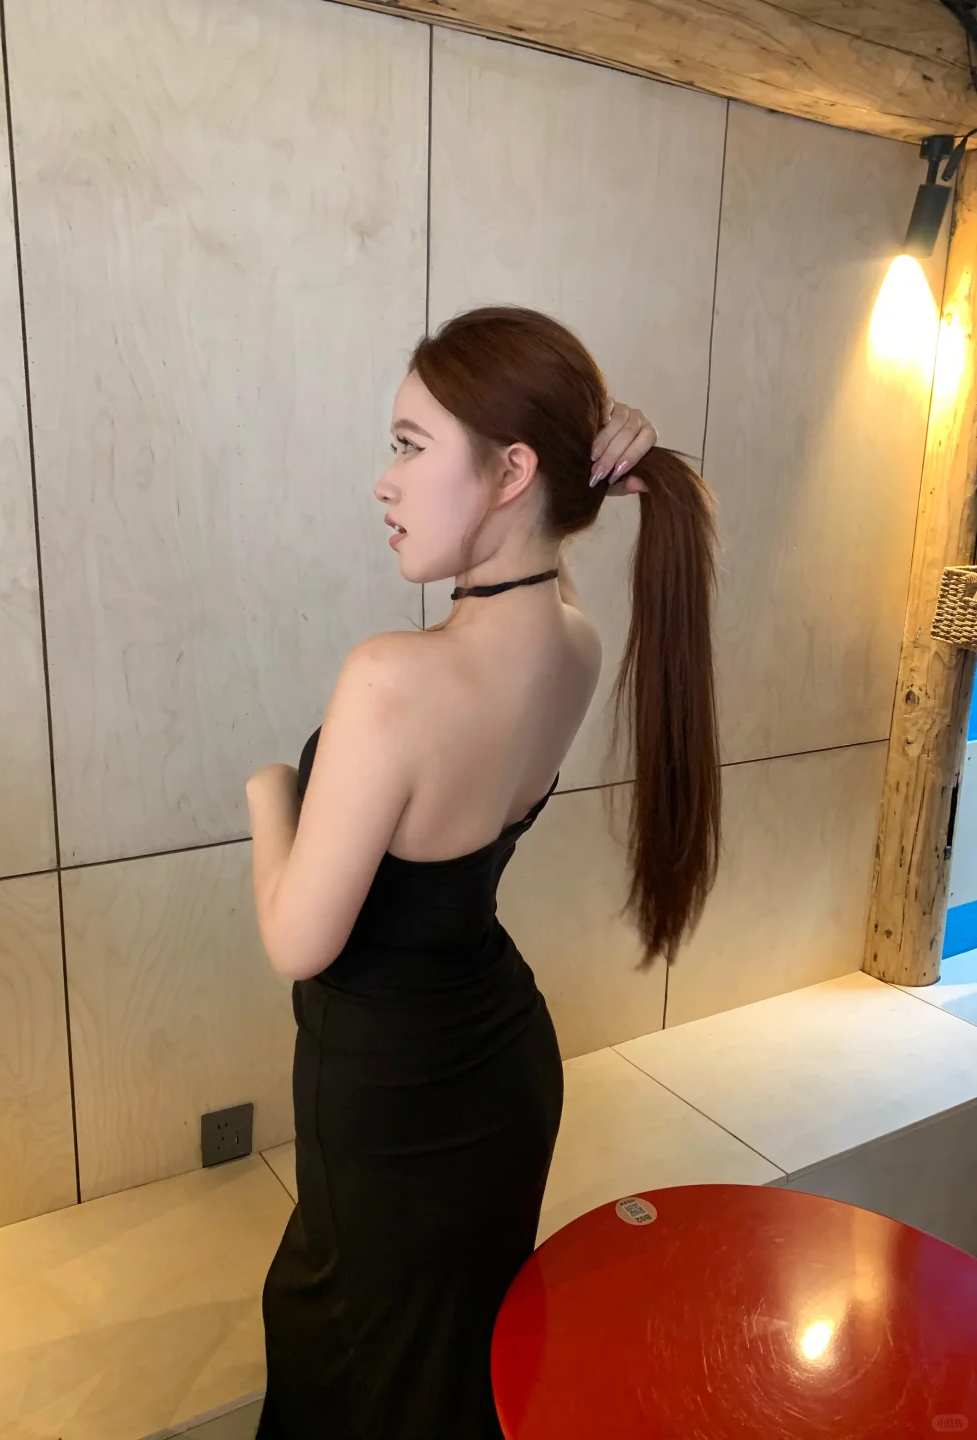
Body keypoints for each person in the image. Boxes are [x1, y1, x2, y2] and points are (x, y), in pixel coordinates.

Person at [245, 306, 721, 1439]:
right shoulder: (578, 645)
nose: (385, 481)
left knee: (343, 1355)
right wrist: (581, 462)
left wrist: (269, 794)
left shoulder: (391, 680)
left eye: (410, 446)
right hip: (502, 1070)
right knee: (462, 1363)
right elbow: (546, 574)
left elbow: (298, 942)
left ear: (511, 471)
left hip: (388, 1090)